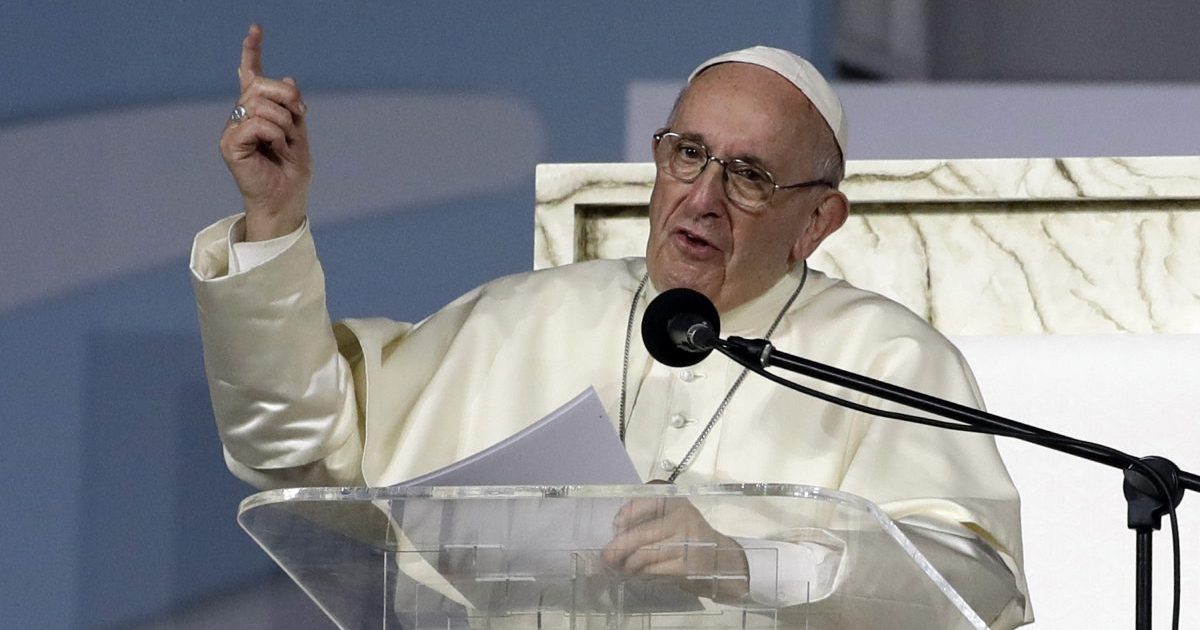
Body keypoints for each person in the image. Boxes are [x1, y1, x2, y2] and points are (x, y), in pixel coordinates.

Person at [193, 24, 1031, 627]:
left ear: (818, 222)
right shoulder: (522, 320)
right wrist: (274, 220)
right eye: (687, 155)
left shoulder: (884, 357)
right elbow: (295, 443)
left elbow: (968, 585)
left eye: (748, 176)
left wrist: (747, 565)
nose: (701, 198)